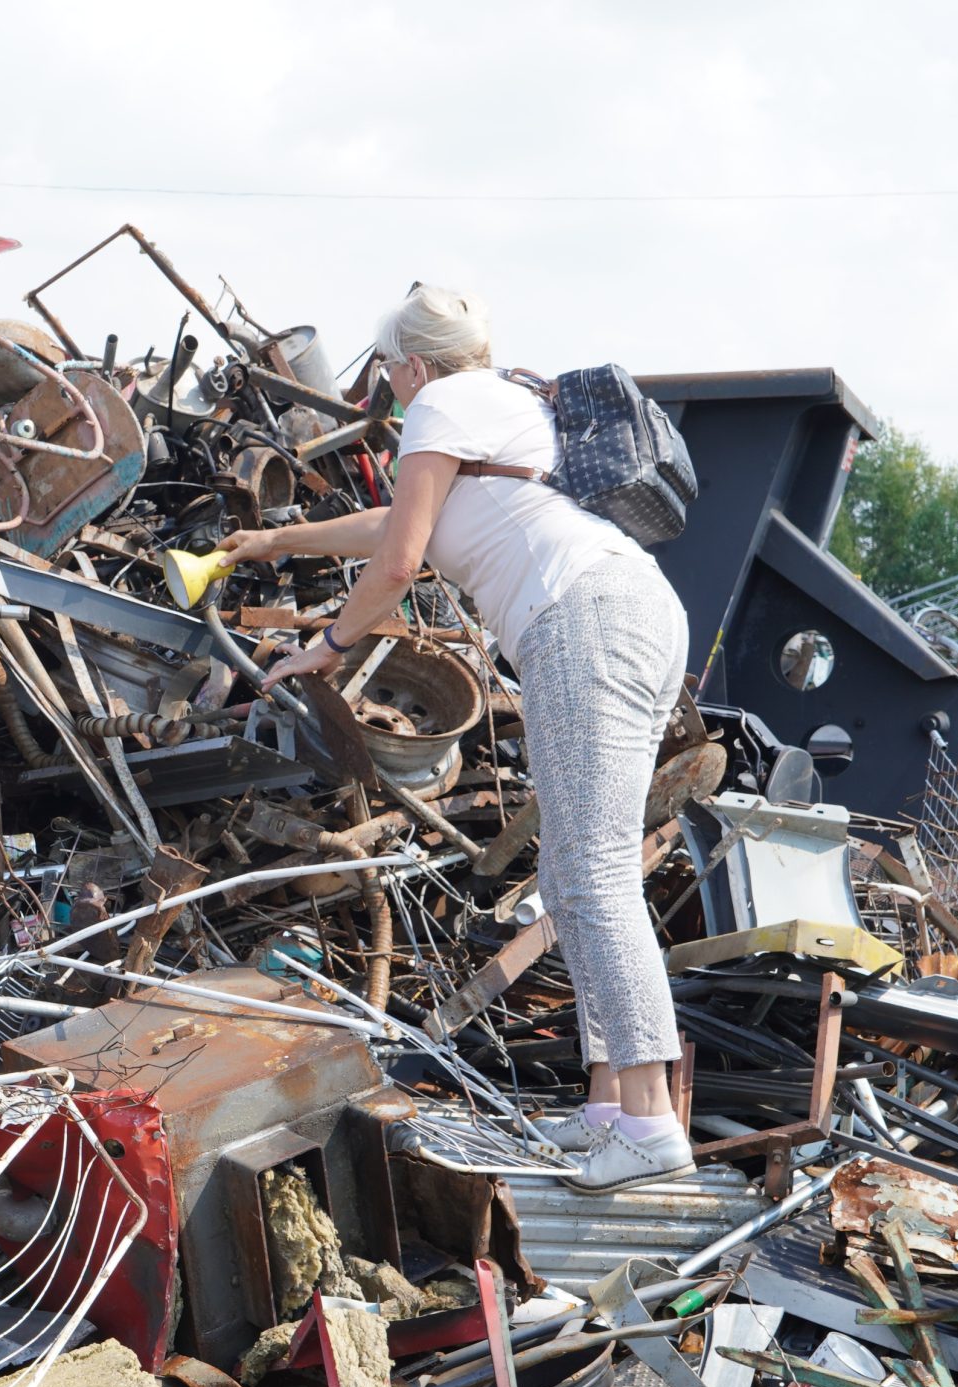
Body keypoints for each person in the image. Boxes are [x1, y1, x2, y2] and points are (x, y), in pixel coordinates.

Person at [215, 285, 694, 1192]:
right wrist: (276, 544)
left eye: (389, 367)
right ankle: (608, 1113)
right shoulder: (506, 401)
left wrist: (327, 647)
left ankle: (651, 1122)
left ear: (414, 363)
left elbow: (397, 563)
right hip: (628, 608)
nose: (386, 385)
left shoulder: (440, 403)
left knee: (589, 873)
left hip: (581, 618)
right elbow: (403, 528)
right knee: (572, 874)